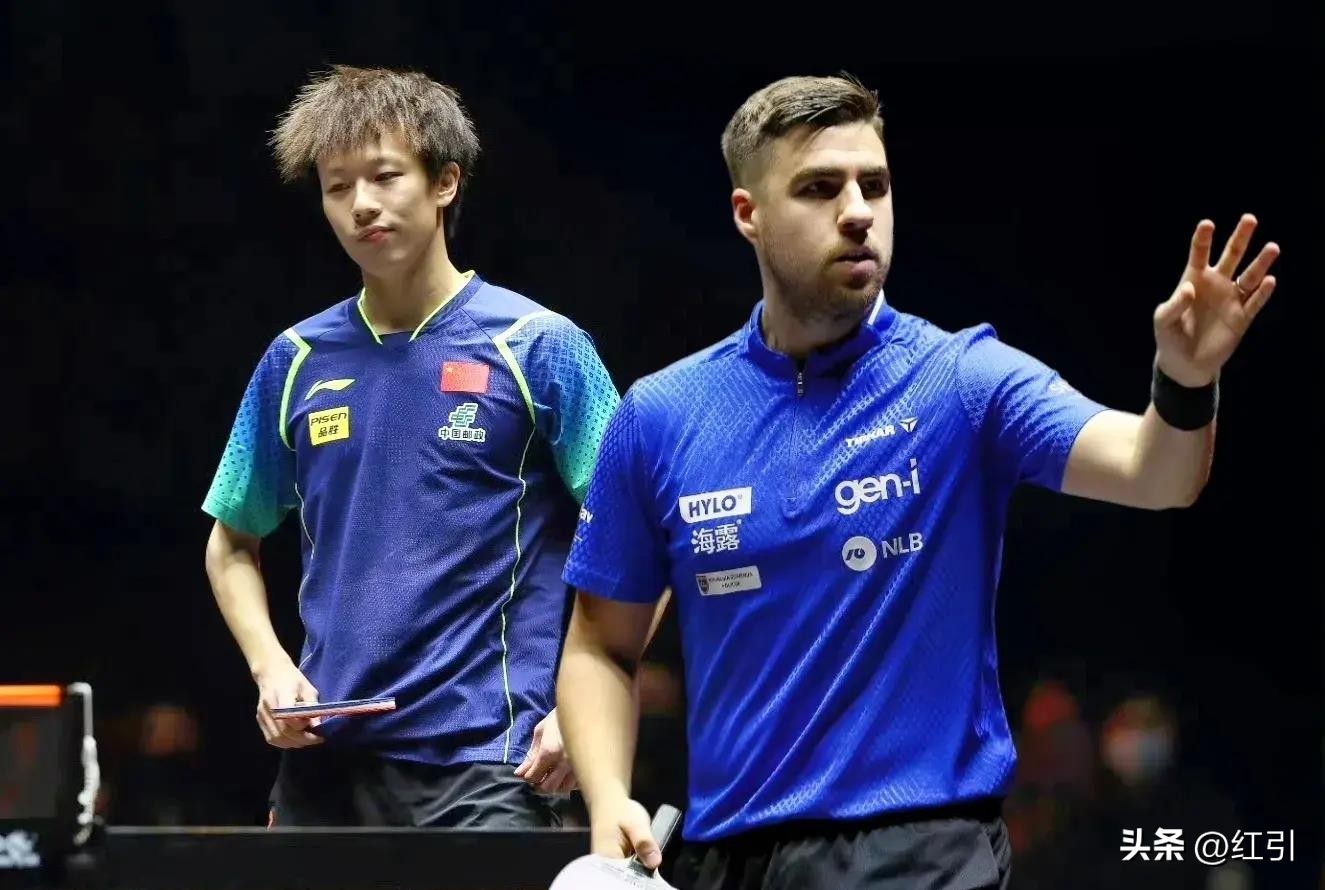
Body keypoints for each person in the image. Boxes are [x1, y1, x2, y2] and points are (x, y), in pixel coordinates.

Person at [555, 73, 1280, 888]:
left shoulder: (962, 381)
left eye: (874, 185)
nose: (857, 211)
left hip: (918, 853)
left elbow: (1156, 473)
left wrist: (1183, 380)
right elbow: (599, 646)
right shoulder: (660, 414)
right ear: (747, 214)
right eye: (819, 189)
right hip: (724, 859)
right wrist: (608, 799)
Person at [201, 64, 621, 827]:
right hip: (326, 758)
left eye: (385, 176)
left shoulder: (539, 346)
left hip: (488, 759)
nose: (361, 204)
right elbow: (231, 541)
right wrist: (270, 669)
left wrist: (583, 704)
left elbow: (635, 531)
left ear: (444, 182)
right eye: (337, 187)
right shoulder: (295, 359)